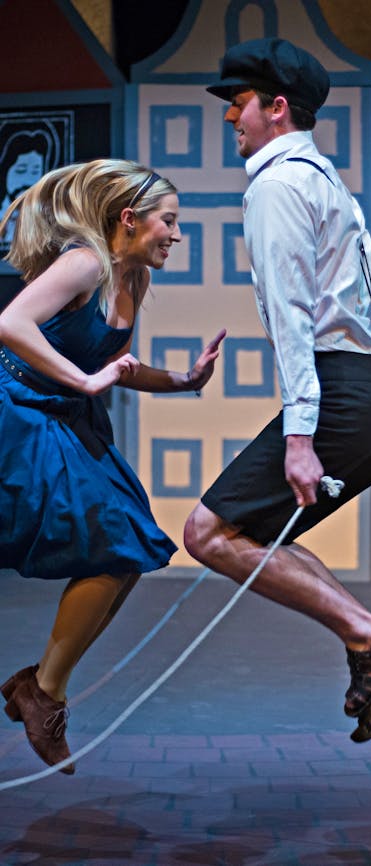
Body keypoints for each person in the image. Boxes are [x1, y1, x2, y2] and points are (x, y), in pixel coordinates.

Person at [184, 37, 371, 744]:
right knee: (246, 532)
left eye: (238, 103)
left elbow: (293, 315)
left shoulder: (276, 186)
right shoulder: (326, 181)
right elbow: (363, 310)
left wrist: (300, 436)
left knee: (207, 534)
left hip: (342, 392)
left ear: (278, 108)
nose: (229, 119)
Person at [0, 158, 225, 774]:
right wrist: (85, 380)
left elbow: (118, 365)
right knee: (114, 542)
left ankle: (41, 688)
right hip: (22, 411)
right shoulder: (87, 262)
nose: (176, 235)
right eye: (169, 222)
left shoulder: (129, 279)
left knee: (129, 546)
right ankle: (42, 691)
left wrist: (183, 380)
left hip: (68, 415)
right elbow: (10, 324)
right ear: (129, 219)